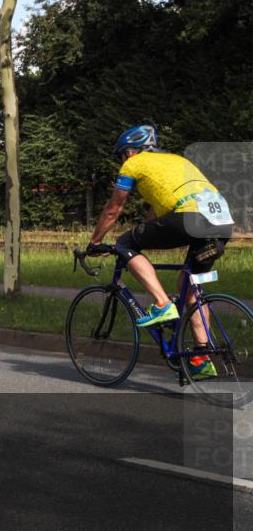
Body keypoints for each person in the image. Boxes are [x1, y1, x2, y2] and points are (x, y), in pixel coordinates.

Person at [87, 125, 234, 380]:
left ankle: (163, 304)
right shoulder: (176, 160)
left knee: (125, 245)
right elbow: (157, 215)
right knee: (190, 288)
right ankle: (201, 357)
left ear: (130, 153)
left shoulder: (133, 164)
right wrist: (144, 229)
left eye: (121, 156)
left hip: (191, 218)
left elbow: (114, 208)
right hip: (222, 222)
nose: (122, 161)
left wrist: (95, 241)